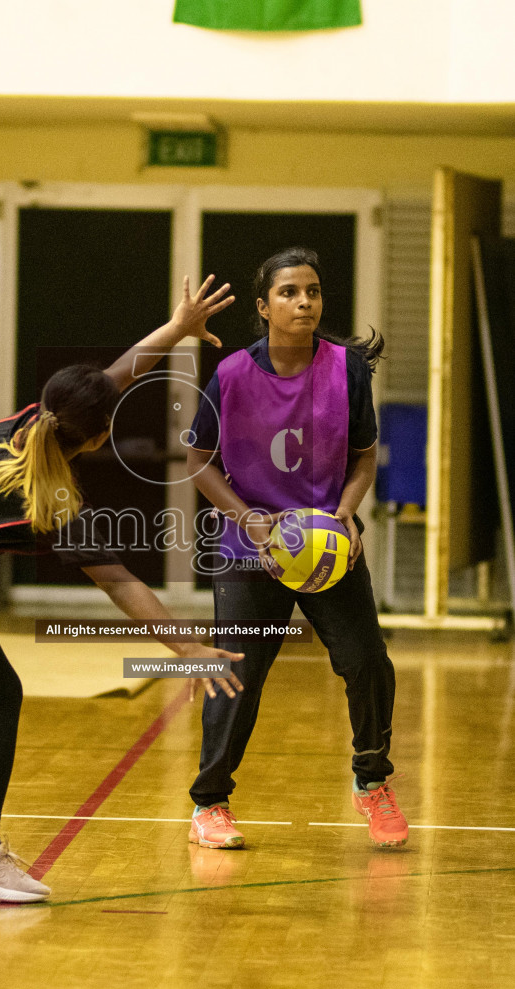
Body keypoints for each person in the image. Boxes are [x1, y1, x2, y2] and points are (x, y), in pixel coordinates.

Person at [0, 275, 245, 904]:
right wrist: (188, 646)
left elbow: (111, 377)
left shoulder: (42, 417)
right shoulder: (53, 495)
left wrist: (176, 328)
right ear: (92, 436)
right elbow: (121, 584)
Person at [185, 247, 408, 850]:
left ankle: (372, 782)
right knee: (237, 674)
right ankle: (210, 803)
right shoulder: (231, 373)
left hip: (328, 547)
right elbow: (197, 461)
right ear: (263, 307)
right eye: (288, 292)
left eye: (312, 291)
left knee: (366, 662)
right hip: (249, 550)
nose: (304, 301)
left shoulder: (347, 369)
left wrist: (344, 514)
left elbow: (363, 455)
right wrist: (249, 520)